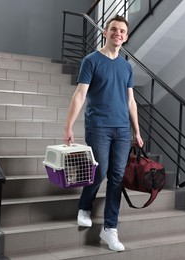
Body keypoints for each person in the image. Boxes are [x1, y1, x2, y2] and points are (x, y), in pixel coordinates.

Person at [63, 15, 143, 252]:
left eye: (122, 31)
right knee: (100, 171)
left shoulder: (126, 66)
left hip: (122, 130)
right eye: (113, 29)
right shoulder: (91, 61)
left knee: (117, 177)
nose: (118, 33)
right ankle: (85, 206)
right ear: (105, 33)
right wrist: (68, 126)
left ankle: (110, 228)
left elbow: (131, 101)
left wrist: (137, 131)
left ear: (126, 37)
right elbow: (79, 95)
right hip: (98, 126)